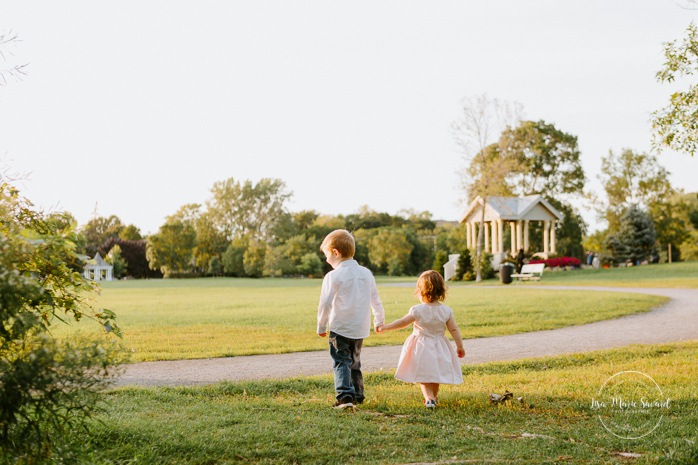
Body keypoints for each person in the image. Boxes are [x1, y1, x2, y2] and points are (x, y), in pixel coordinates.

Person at [317, 229, 385, 409]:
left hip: (340, 327)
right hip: (360, 328)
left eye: (326, 255)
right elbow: (375, 299)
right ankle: (358, 394)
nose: (326, 260)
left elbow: (325, 303)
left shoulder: (333, 276)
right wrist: (378, 320)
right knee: (354, 361)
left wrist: (321, 326)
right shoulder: (366, 273)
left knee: (341, 361)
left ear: (335, 252)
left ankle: (345, 397)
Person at [376, 270, 465, 408]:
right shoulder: (446, 311)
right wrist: (460, 346)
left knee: (423, 374)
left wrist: (385, 327)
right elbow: (454, 329)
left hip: (422, 346)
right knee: (435, 374)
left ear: (420, 291)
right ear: (441, 290)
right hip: (439, 345)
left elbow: (402, 322)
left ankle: (429, 397)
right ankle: (434, 397)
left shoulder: (417, 310)